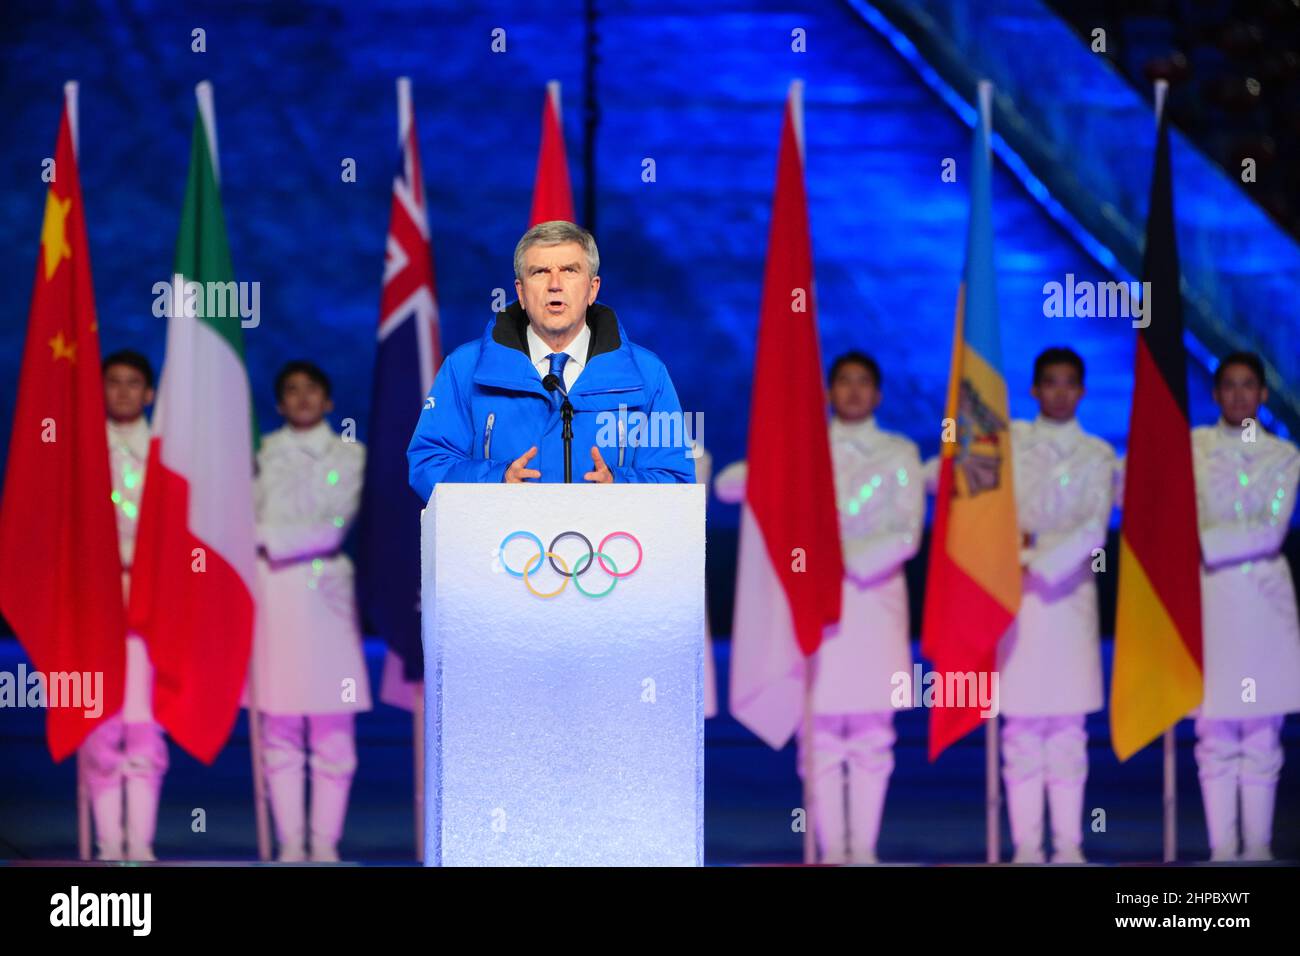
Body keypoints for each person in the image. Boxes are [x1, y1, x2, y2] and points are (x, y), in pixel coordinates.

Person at [716, 351, 922, 863]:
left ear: (877, 394)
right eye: (844, 382)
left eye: (863, 383)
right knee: (821, 737)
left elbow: (905, 533)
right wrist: (777, 448)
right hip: (816, 614)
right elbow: (728, 485)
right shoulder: (804, 447)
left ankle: (865, 851)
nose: (853, 392)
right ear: (828, 392)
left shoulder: (899, 453)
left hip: (874, 609)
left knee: (874, 735)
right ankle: (832, 853)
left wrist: (837, 559)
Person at [407, 220, 694, 495]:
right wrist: (497, 479)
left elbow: (676, 479)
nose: (555, 284)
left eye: (570, 270)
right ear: (520, 292)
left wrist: (619, 487)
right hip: (502, 543)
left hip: (609, 544)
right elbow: (429, 464)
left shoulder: (647, 374)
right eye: (540, 272)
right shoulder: (464, 369)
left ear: (592, 289)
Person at [248, 361, 371, 863]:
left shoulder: (352, 454)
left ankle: (324, 847)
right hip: (272, 597)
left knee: (332, 730)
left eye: (311, 390)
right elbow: (238, 514)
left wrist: (263, 538)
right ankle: (290, 846)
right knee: (277, 729)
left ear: (329, 402)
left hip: (325, 596)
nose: (301, 399)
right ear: (279, 404)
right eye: (291, 391)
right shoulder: (258, 456)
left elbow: (332, 525)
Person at [997, 347, 1115, 864]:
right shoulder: (1007, 445)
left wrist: (1034, 559)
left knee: (1067, 731)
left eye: (1070, 383)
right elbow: (989, 517)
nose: (1060, 392)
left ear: (1083, 391)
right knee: (1021, 731)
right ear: (1034, 389)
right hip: (1014, 599)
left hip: (1068, 598)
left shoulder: (1098, 454)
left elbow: (1092, 529)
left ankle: (1069, 848)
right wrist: (1017, 555)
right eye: (1050, 382)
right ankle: (1025, 848)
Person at [1192, 351, 1300, 862]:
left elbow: (1269, 528)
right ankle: (1221, 852)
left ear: (1262, 394)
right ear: (1215, 394)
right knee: (1214, 735)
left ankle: (1257, 852)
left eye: (1248, 386)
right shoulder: (1190, 447)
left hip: (1263, 607)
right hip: (1211, 602)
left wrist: (1205, 541)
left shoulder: (1284, 456)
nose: (1238, 395)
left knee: (1260, 735)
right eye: (1229, 386)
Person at [79, 349, 168, 862]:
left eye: (134, 383)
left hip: (153, 602)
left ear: (150, 392)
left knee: (144, 727)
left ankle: (141, 847)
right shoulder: (79, 451)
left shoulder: (166, 452)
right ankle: (109, 848)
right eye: (112, 382)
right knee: (98, 724)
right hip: (94, 601)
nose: (123, 392)